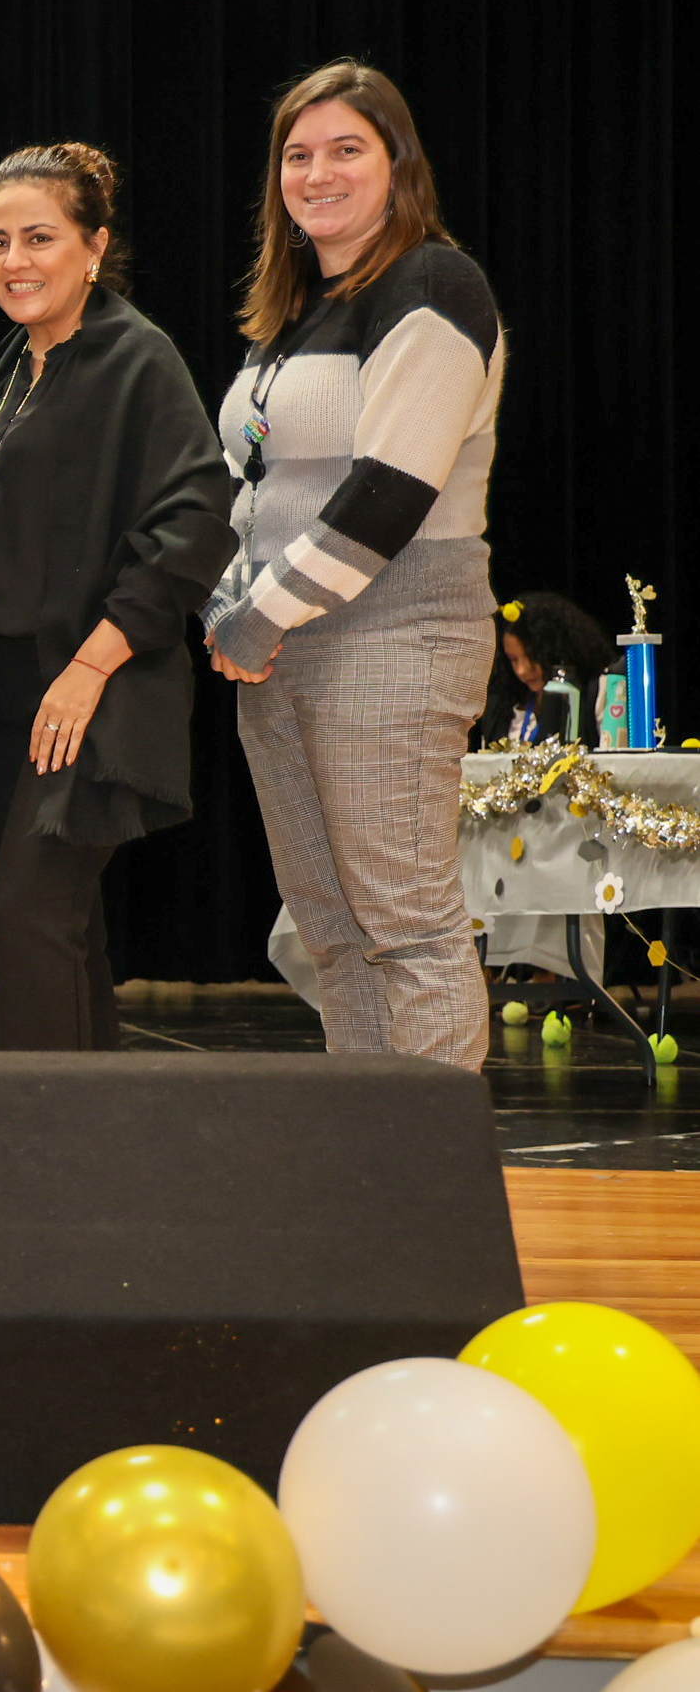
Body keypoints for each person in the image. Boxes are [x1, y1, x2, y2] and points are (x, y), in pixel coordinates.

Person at [207, 61, 505, 1070]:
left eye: (346, 149)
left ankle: (432, 1199)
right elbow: (238, 483)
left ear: (397, 164)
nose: (316, 173)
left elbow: (386, 492)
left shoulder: (431, 284)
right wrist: (225, 599)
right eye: (297, 154)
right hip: (281, 647)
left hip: (393, 632)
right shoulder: (293, 315)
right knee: (330, 934)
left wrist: (256, 615)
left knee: (405, 928)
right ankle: (372, 1185)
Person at [0, 143, 234, 1050]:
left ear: (93, 245)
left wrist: (88, 667)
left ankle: (45, 1153)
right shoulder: (4, 366)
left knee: (35, 919)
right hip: (8, 696)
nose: (13, 262)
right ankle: (94, 1151)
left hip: (91, 692)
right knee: (62, 931)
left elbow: (197, 519)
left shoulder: (135, 357)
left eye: (37, 238)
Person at [481, 591, 613, 745]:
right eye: (514, 659)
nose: (522, 670)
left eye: (532, 657)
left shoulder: (597, 692)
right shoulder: (502, 708)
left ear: (557, 650)